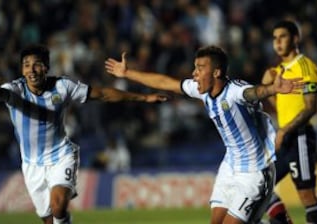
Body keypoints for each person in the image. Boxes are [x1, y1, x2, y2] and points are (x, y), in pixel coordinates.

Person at [105, 45, 303, 224]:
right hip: (230, 166)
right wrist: (127, 73)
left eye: (200, 68)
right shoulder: (201, 91)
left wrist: (272, 89)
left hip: (254, 171)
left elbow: (254, 92)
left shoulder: (234, 91)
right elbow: (165, 82)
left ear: (216, 72)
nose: (194, 73)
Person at [0, 44, 167, 224]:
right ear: (22, 70)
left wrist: (144, 98)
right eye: (27, 65)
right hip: (32, 164)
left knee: (58, 206)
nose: (32, 70)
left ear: (46, 67)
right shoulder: (15, 90)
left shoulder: (62, 87)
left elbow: (102, 94)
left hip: (61, 155)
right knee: (49, 220)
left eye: (37, 64)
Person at [261, 20, 317, 224]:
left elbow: (310, 108)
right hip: (284, 138)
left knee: (306, 196)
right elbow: (279, 103)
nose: (277, 42)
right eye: (274, 38)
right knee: (261, 185)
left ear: (295, 39)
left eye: (283, 37)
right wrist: (266, 87)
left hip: (300, 137)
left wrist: (284, 130)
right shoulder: (278, 71)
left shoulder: (306, 67)